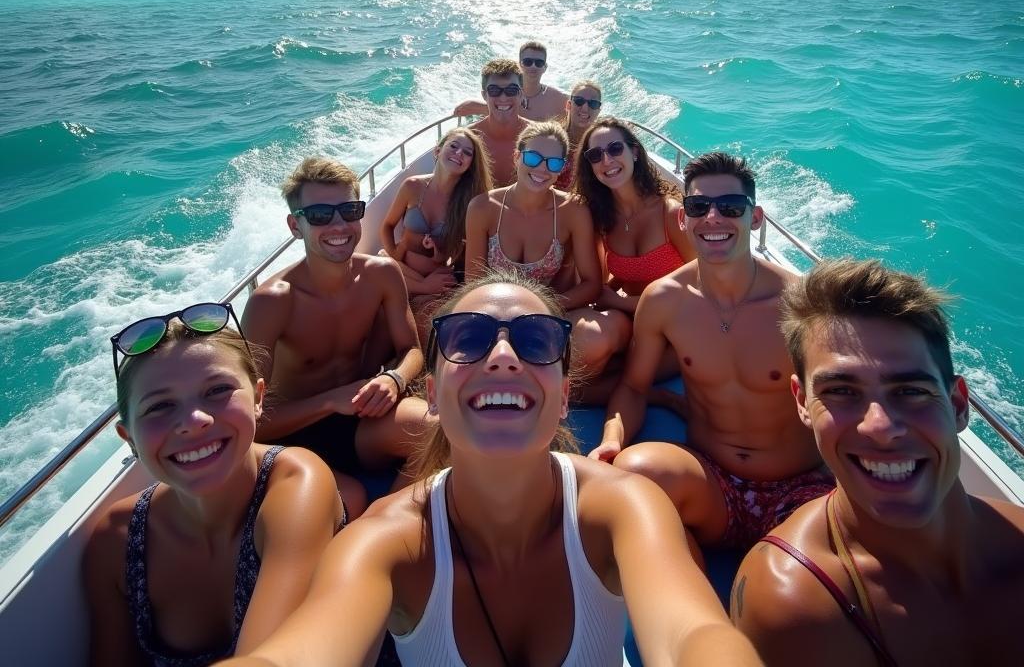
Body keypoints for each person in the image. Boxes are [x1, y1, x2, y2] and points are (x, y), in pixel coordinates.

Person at [214, 272, 763, 667]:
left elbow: (694, 634)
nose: (503, 356)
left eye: (537, 340)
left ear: (565, 397)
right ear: (431, 393)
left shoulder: (621, 505)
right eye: (469, 339)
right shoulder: (386, 542)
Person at [731, 258, 1024, 666]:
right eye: (840, 391)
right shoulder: (794, 603)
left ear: (958, 405)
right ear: (803, 403)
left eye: (910, 391)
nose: (881, 428)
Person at [592, 151, 831, 553]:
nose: (713, 218)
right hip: (710, 479)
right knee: (634, 472)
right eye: (699, 206)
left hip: (800, 486)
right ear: (683, 219)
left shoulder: (801, 305)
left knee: (786, 581)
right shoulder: (665, 299)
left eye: (731, 207)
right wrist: (611, 439)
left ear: (755, 219)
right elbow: (633, 387)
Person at [83, 304, 343, 666]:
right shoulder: (116, 542)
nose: (194, 421)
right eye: (159, 407)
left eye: (217, 390)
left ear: (258, 397)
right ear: (129, 439)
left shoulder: (298, 485)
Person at [241, 157, 427, 508]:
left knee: (440, 431)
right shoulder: (271, 302)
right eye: (320, 215)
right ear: (296, 226)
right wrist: (330, 400)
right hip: (291, 436)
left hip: (359, 419)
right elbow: (251, 419)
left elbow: (411, 351)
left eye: (349, 210)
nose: (339, 225)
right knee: (350, 500)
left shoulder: (383, 274)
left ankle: (383, 522)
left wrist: (394, 380)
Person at [464, 121, 630, 385]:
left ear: (561, 168)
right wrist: (507, 321)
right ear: (517, 157)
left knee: (596, 336)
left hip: (554, 312)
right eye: (533, 157)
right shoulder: (483, 208)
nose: (542, 169)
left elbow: (591, 284)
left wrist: (544, 310)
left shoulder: (573, 209)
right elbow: (473, 284)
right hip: (496, 316)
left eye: (553, 163)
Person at [573, 117, 695, 318]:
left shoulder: (671, 214)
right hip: (628, 319)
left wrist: (618, 301)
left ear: (635, 152)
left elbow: (699, 285)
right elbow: (626, 273)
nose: (607, 160)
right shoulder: (602, 219)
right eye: (595, 155)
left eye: (615, 149)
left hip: (676, 320)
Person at [379, 127, 493, 331]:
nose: (459, 153)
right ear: (437, 151)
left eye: (467, 153)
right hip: (402, 272)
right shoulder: (412, 186)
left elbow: (463, 253)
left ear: (470, 166)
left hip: (436, 281)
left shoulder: (469, 202)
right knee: (380, 268)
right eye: (454, 146)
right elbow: (387, 226)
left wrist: (439, 250)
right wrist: (395, 254)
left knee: (426, 325)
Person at [453, 41, 569, 123]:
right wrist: (485, 107)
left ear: (545, 67)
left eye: (539, 63)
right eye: (527, 62)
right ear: (519, 65)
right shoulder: (501, 95)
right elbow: (462, 109)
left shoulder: (559, 99)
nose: (533, 66)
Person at [465, 57, 530, 186]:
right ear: (484, 95)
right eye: (494, 90)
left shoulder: (538, 137)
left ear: (521, 94)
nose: (503, 97)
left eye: (511, 90)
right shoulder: (468, 138)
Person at [556, 79, 603, 191]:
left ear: (599, 110)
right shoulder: (552, 139)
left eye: (593, 104)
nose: (585, 108)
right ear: (568, 105)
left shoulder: (601, 147)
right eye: (579, 101)